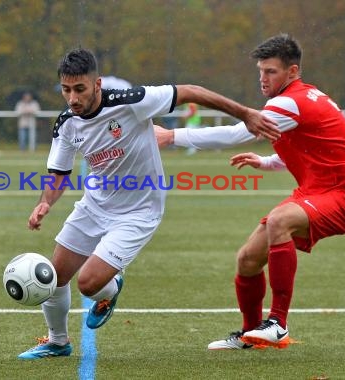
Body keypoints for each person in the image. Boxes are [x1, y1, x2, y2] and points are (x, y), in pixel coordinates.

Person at [16, 47, 278, 360]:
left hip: (139, 211)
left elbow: (191, 91)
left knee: (88, 284)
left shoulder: (130, 101)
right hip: (94, 206)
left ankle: (110, 288)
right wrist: (45, 203)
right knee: (55, 276)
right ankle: (58, 342)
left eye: (80, 89)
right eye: (66, 90)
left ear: (97, 84)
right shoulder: (66, 124)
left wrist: (246, 114)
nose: (73, 98)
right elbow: (58, 174)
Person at [154, 33, 345, 350]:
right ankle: (251, 333)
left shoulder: (288, 102)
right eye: (260, 71)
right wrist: (267, 162)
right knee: (248, 259)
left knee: (280, 220)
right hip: (317, 191)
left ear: (292, 72)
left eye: (271, 72)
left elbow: (236, 133)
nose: (263, 79)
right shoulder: (303, 99)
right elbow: (314, 149)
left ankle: (278, 324)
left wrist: (172, 136)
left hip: (343, 196)